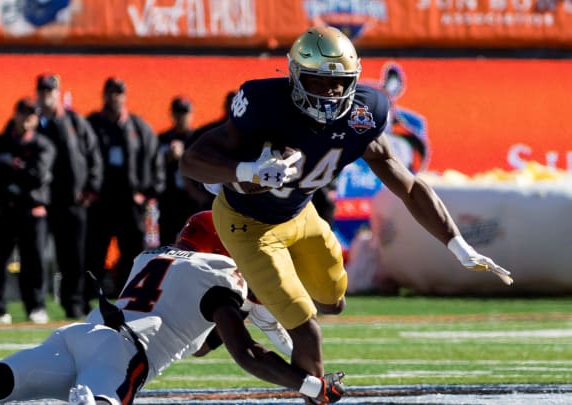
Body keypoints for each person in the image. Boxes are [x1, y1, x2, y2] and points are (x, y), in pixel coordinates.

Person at [180, 26, 513, 385]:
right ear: (295, 76)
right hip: (248, 225)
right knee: (307, 332)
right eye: (320, 81)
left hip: (300, 213)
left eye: (339, 83)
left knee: (333, 302)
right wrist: (245, 170)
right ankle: (313, 387)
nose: (331, 92)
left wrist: (457, 244)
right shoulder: (266, 104)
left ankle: (252, 300)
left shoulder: (363, 114)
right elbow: (192, 161)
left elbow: (411, 187)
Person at [0, 211, 346, 405]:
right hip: (125, 354)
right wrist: (309, 383)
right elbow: (248, 354)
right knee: (103, 397)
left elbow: (195, 336)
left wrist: (237, 316)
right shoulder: (221, 282)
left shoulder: (150, 257)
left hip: (80, 333)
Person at [86, 77, 165, 297]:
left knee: (132, 252)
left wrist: (150, 192)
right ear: (104, 95)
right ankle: (90, 297)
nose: (115, 97)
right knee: (95, 252)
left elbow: (154, 159)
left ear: (125, 96)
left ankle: (130, 296)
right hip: (101, 201)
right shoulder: (92, 125)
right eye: (111, 92)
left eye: (119, 93)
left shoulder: (138, 127)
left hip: (130, 202)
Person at [0, 97, 56, 324]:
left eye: (31, 115)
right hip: (5, 210)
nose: (26, 119)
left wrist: (10, 166)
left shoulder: (43, 144)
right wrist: (15, 168)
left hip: (31, 211)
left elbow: (37, 175)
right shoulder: (0, 140)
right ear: (15, 115)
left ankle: (36, 306)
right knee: (1, 261)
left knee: (33, 261)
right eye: (23, 113)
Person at [35, 73, 103, 320]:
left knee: (74, 256)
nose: (46, 95)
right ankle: (37, 305)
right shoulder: (34, 122)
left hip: (73, 201)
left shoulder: (75, 121)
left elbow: (94, 155)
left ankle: (74, 302)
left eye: (50, 90)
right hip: (44, 201)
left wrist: (90, 189)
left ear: (58, 92)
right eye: (42, 90)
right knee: (38, 256)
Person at [157, 96, 205, 245]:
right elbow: (153, 166)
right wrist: (167, 158)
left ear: (191, 114)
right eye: (178, 113)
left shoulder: (199, 137)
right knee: (167, 240)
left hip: (192, 198)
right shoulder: (163, 138)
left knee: (194, 240)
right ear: (171, 114)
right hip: (169, 197)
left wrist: (182, 157)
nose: (181, 117)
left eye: (185, 113)